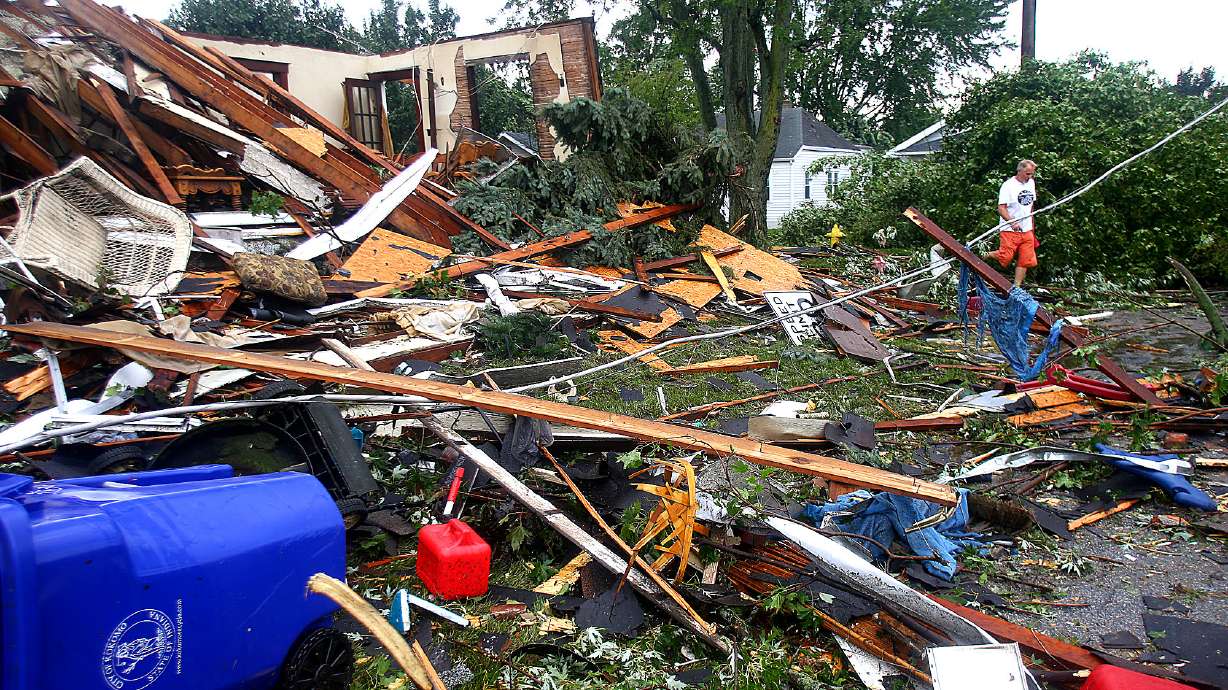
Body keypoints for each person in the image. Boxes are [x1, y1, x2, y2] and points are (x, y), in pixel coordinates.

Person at [993, 159, 1038, 287]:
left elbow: (1030, 205)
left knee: (1026, 258)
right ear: (1019, 171)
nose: (1030, 177)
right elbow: (1001, 208)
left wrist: (1031, 226)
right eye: (1027, 174)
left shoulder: (1031, 183)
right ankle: (988, 255)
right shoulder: (1008, 186)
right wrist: (1012, 222)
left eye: (1032, 174)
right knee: (1005, 257)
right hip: (1009, 228)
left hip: (1027, 229)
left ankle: (1016, 286)